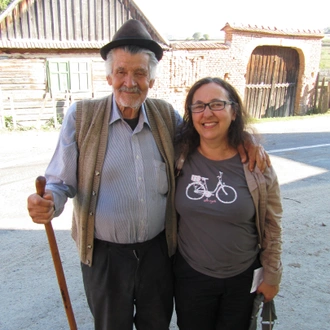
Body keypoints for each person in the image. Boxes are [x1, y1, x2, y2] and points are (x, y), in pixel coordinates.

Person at [27, 20, 268, 330]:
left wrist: (243, 139)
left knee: (156, 324)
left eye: (140, 73)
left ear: (151, 80)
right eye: (122, 72)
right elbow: (60, 182)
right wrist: (49, 202)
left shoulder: (166, 116)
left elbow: (208, 136)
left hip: (158, 252)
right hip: (105, 256)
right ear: (109, 76)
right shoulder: (82, 117)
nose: (130, 82)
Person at [173, 77, 283, 330]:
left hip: (242, 278)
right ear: (191, 115)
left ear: (234, 111)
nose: (207, 113)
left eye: (216, 104)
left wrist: (272, 274)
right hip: (191, 276)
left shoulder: (257, 165)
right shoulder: (178, 156)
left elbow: (272, 224)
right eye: (198, 106)